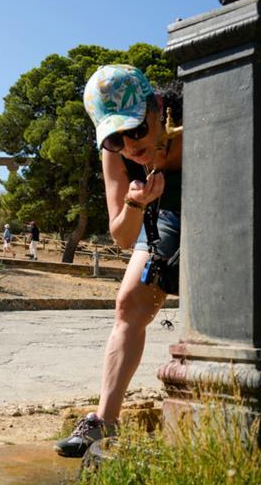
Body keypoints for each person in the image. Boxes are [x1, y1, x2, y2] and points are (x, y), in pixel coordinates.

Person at [54, 64, 182, 458]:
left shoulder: (198, 118)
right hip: (162, 209)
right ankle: (104, 421)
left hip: (220, 200)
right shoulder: (116, 157)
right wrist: (135, 201)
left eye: (136, 129)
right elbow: (123, 236)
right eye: (114, 137)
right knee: (128, 303)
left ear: (157, 108)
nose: (129, 144)